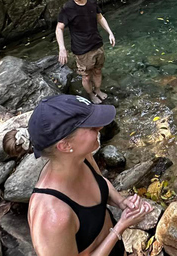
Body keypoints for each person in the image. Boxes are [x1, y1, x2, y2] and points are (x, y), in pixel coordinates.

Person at [28, 95, 153, 256]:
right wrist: (120, 227)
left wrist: (121, 202)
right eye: (91, 127)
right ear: (65, 145)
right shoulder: (53, 217)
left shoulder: (81, 157)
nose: (100, 127)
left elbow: (100, 182)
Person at [57, 0, 116, 104]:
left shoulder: (92, 2)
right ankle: (91, 95)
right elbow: (59, 28)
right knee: (86, 75)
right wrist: (62, 48)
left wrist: (110, 33)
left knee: (98, 70)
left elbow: (99, 17)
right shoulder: (68, 8)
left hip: (97, 43)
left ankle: (98, 90)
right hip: (81, 49)